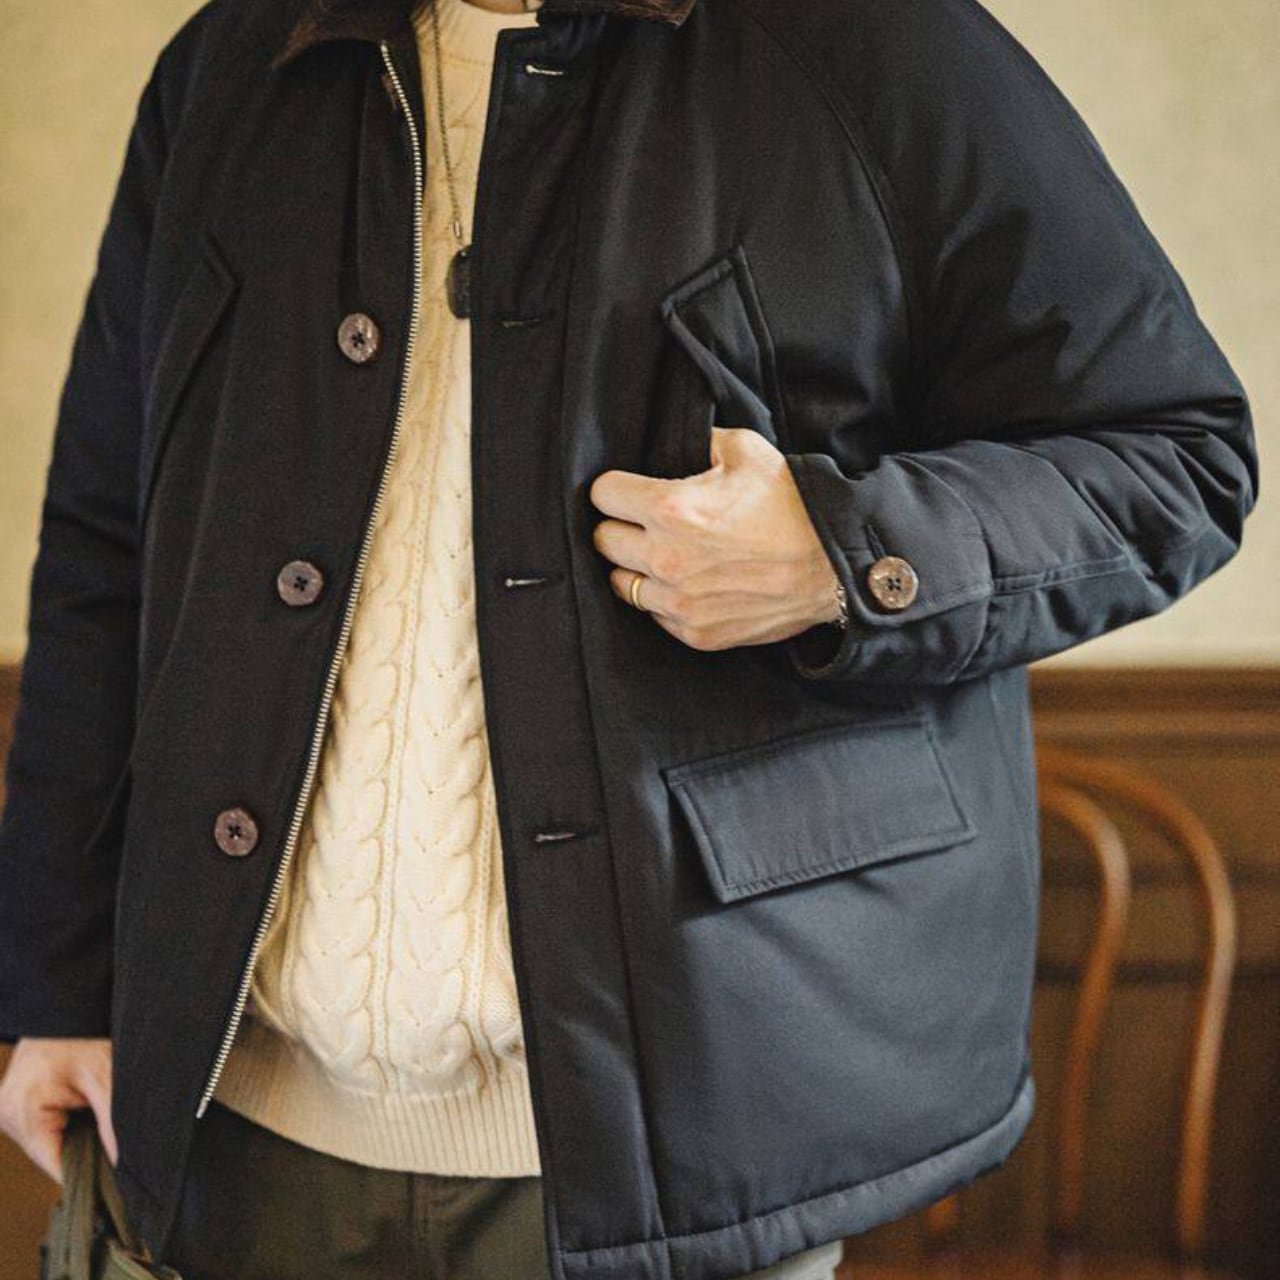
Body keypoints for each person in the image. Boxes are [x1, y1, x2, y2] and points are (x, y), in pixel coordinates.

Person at [0, 0, 1256, 1277]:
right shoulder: (229, 61)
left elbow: (1175, 459)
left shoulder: (882, 45)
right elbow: (110, 539)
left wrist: (839, 555)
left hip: (676, 1151)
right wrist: (59, 979)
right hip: (228, 1130)